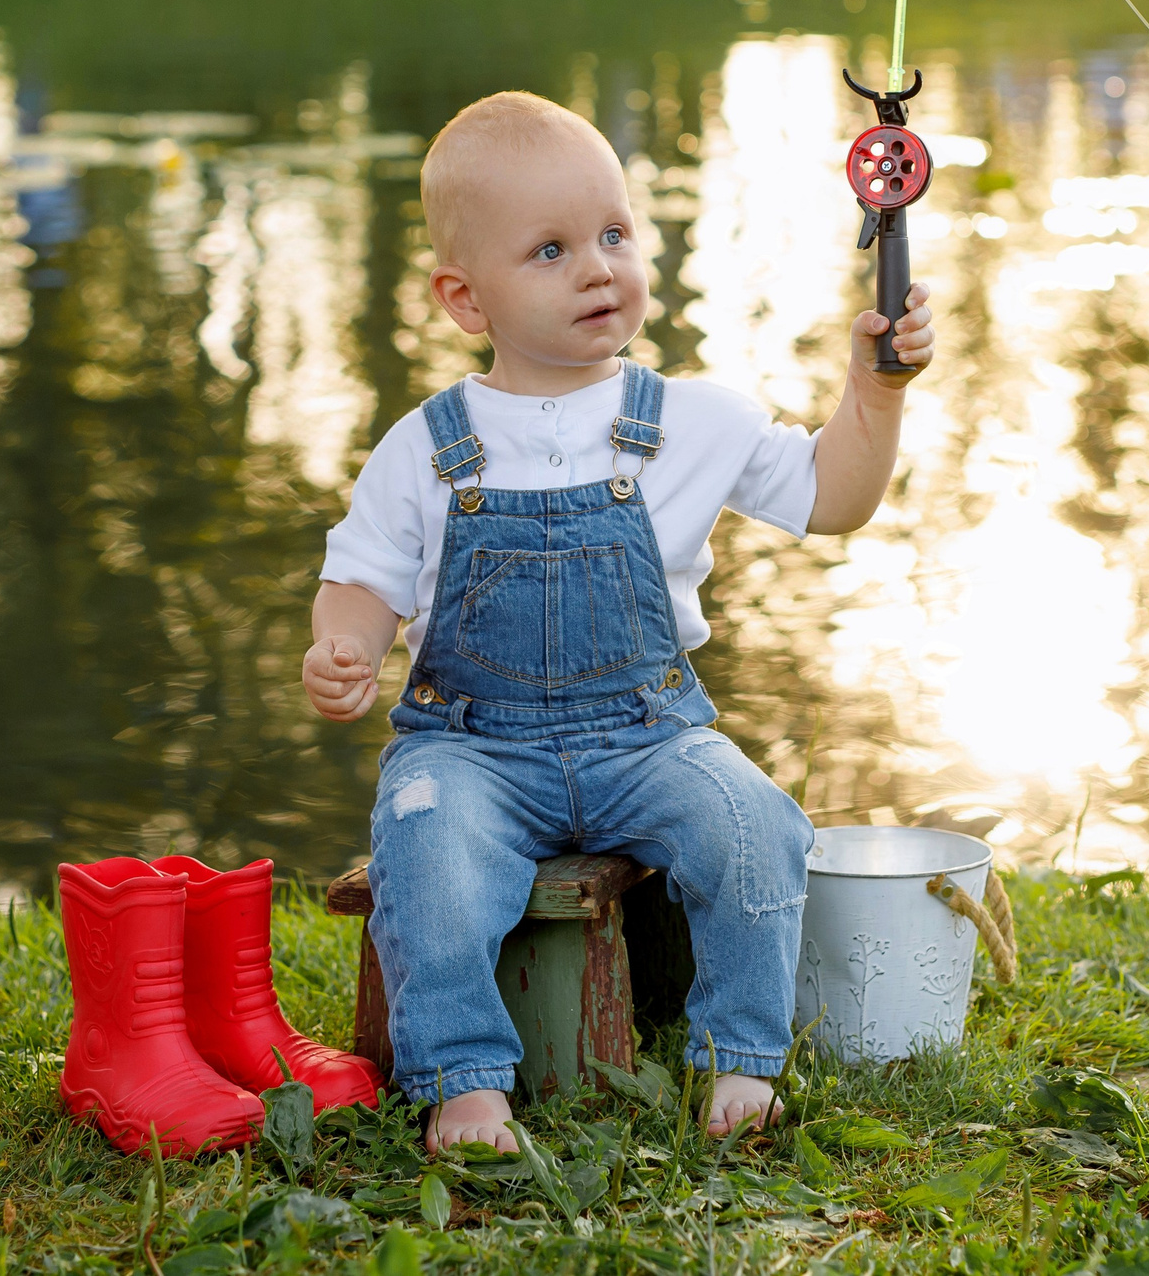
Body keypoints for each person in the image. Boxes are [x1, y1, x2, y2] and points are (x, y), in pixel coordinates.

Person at [304, 91, 932, 1155]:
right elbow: (361, 577)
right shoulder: (426, 446)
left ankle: (739, 1061)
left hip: (648, 738)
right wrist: (347, 641)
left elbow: (834, 498)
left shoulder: (695, 418)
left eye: (612, 234)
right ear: (464, 298)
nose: (598, 268)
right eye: (549, 250)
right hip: (473, 746)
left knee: (755, 826)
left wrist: (875, 393)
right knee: (423, 837)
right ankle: (465, 1082)